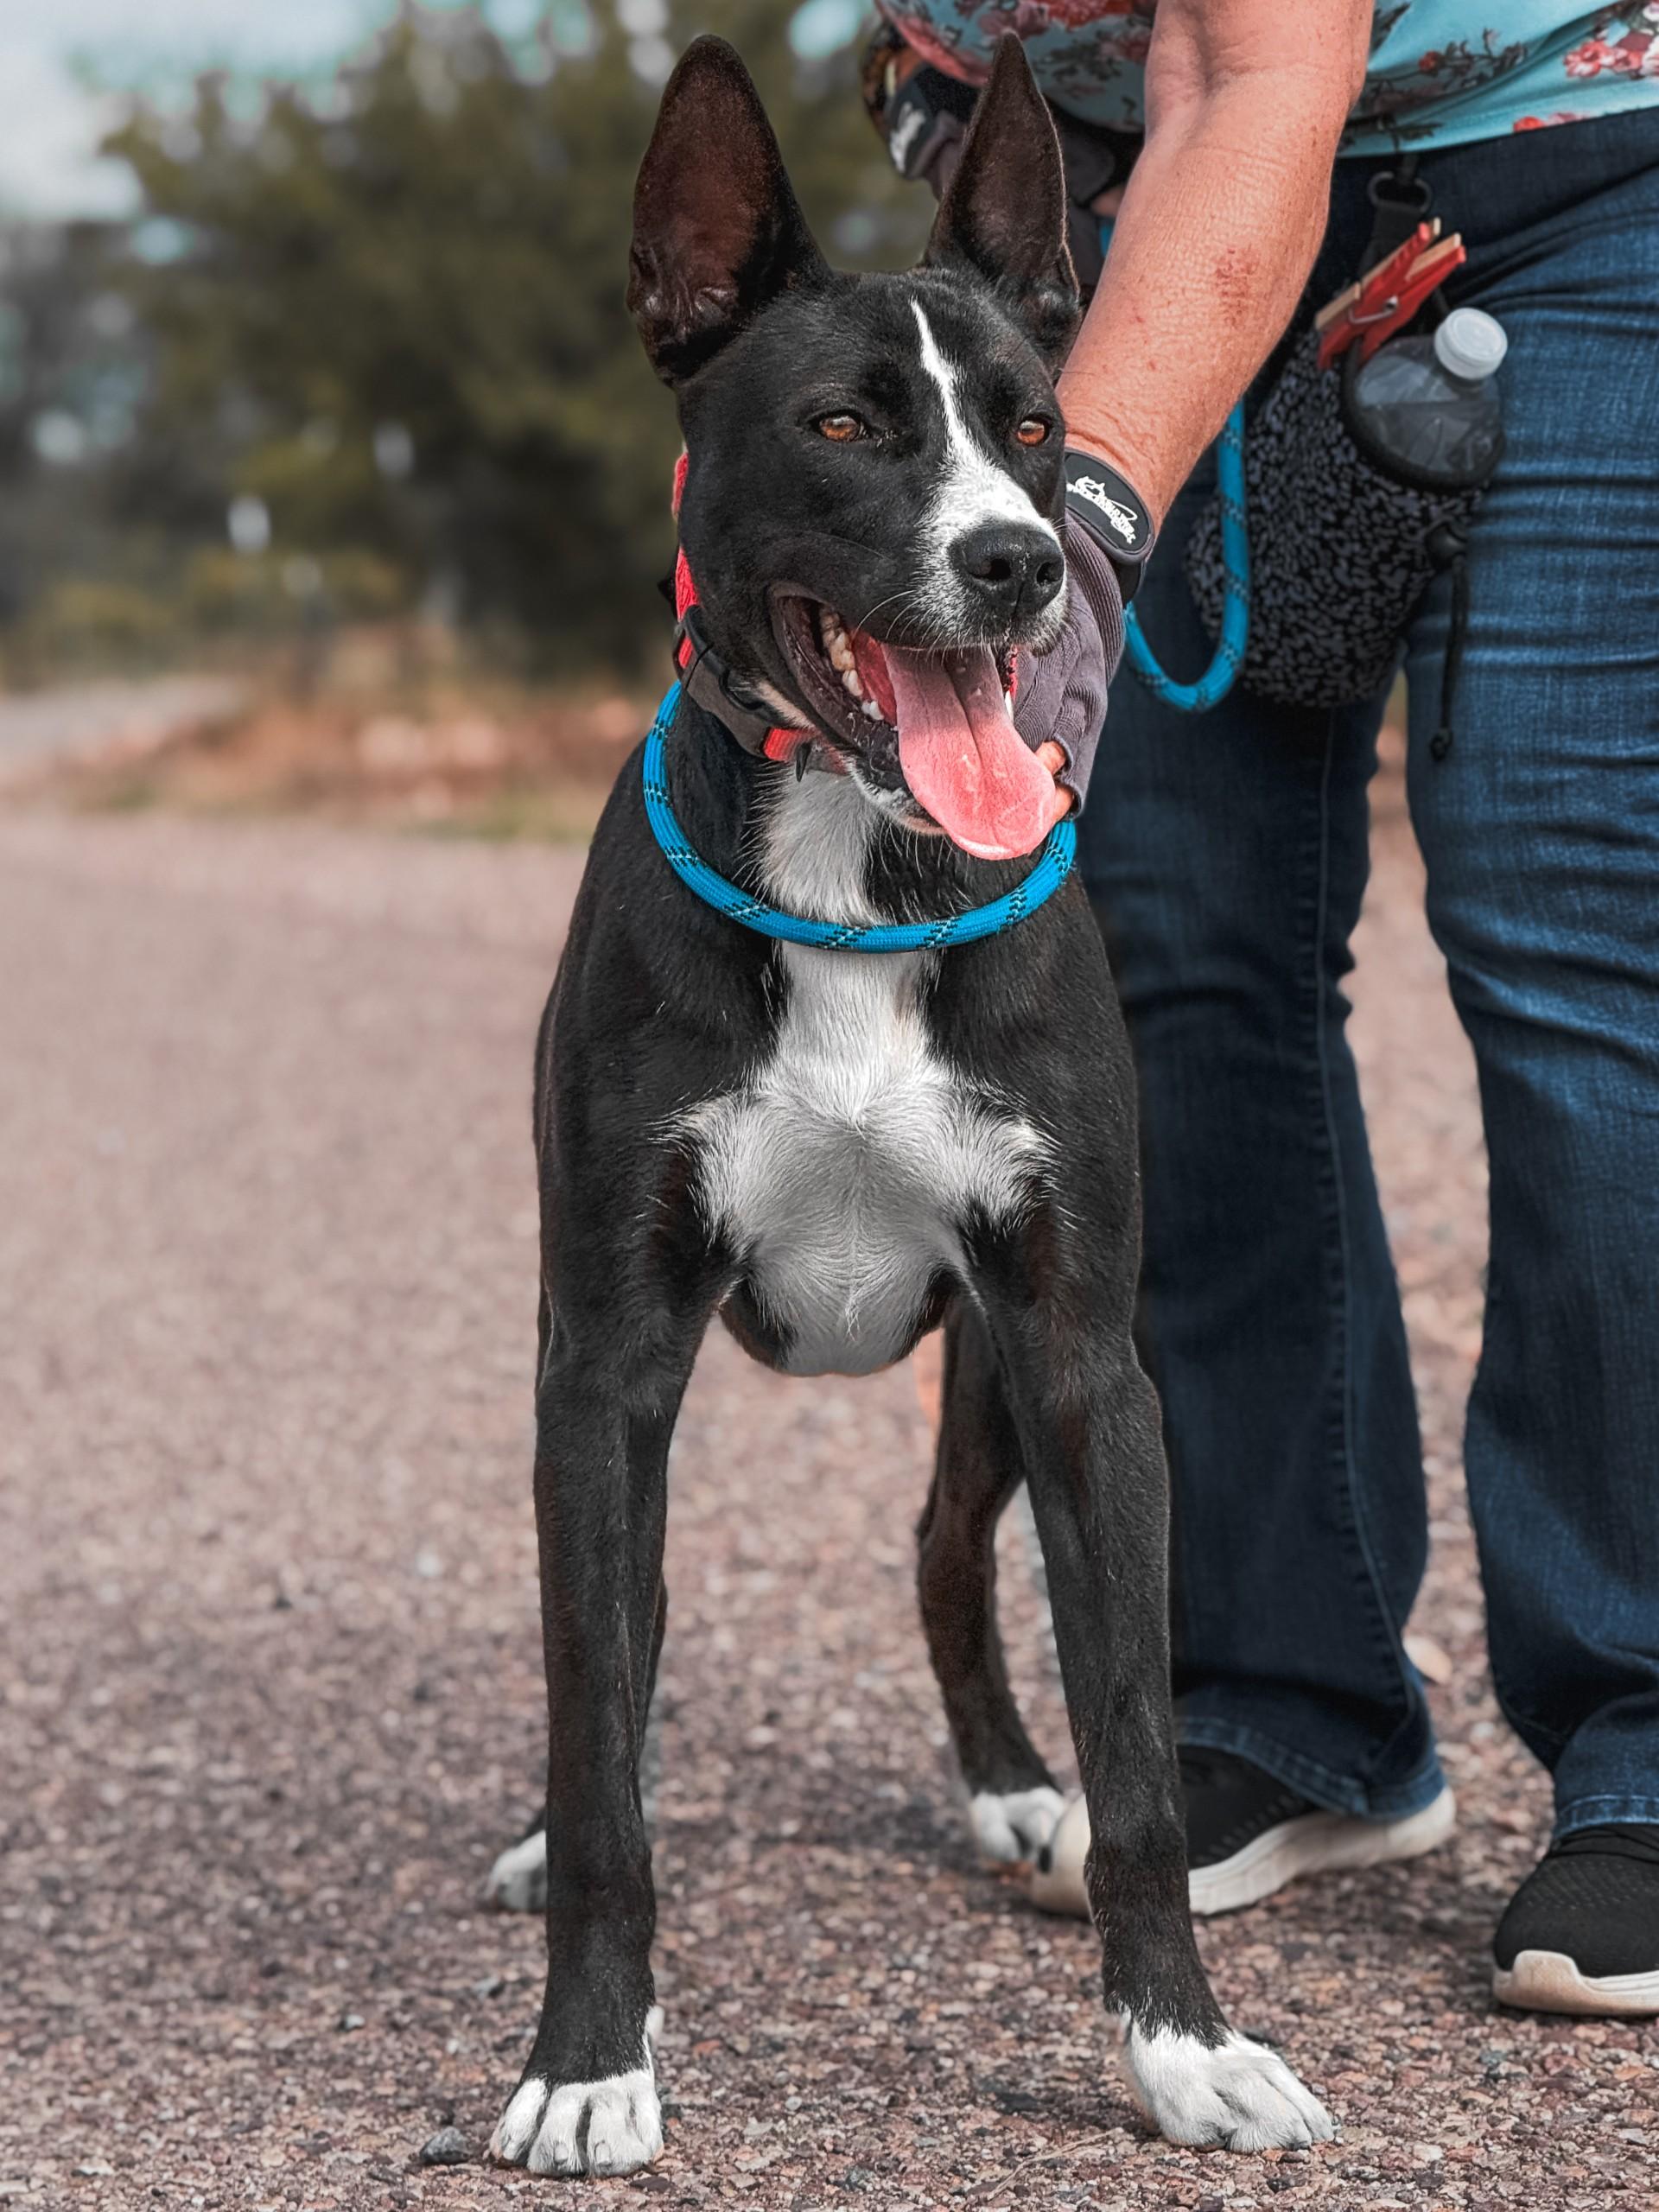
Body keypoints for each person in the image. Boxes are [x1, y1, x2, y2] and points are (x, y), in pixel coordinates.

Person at [880, 0, 1659, 2016]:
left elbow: (1252, 72)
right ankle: (1289, 1703)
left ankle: (1649, 1741)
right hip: (1157, 225)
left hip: (1574, 179)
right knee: (1173, 948)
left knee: (1571, 926)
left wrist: (1082, 547)